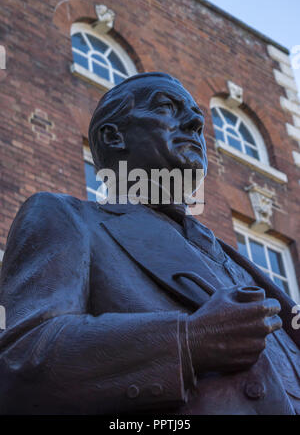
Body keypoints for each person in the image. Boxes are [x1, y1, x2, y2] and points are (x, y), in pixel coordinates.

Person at [0, 72, 299, 415]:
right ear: (112, 136)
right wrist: (189, 340)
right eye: (168, 107)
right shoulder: (66, 218)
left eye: (196, 115)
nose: (195, 122)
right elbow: (21, 359)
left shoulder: (234, 259)